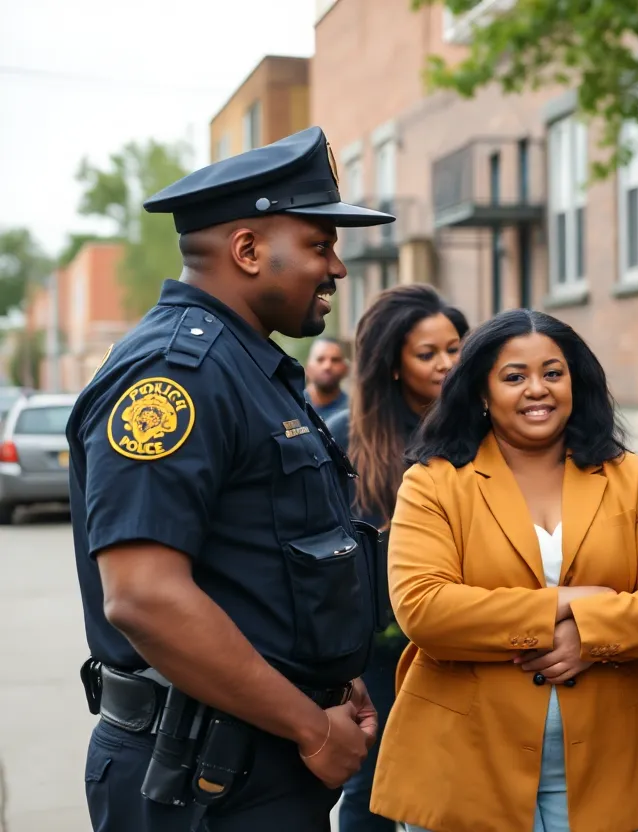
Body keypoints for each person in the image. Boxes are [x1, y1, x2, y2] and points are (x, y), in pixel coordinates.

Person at [67, 126, 395, 832]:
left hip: (258, 754)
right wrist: (310, 725)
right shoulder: (174, 377)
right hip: (199, 776)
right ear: (247, 251)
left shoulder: (249, 368)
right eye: (318, 244)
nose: (336, 267)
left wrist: (333, 680)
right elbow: (145, 597)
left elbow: (262, 564)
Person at [367, 309, 638, 832]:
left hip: (612, 765)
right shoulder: (433, 483)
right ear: (481, 391)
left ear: (576, 382)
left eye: (552, 373)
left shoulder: (633, 478)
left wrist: (590, 637)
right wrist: (570, 602)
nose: (537, 390)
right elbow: (425, 610)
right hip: (464, 767)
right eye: (514, 377)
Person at [326, 284, 469, 832]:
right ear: (392, 364)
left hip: (465, 633)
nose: (447, 364)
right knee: (377, 778)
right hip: (382, 648)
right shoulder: (349, 439)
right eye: (427, 354)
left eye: (454, 348)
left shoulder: (479, 429)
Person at [304, 337, 350, 422]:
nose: (327, 366)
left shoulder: (353, 412)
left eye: (335, 360)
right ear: (308, 368)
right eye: (320, 359)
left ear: (346, 369)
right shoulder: (293, 406)